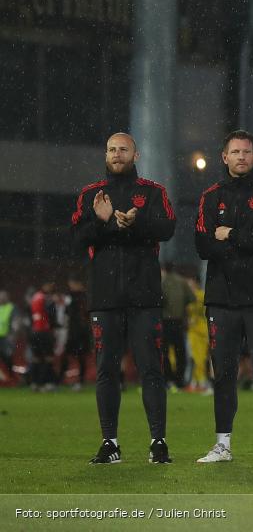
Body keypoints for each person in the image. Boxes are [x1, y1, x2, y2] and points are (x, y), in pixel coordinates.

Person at [71, 132, 175, 464]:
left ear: (136, 155)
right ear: (105, 155)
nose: (117, 154)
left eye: (123, 149)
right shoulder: (90, 194)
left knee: (151, 369)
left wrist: (136, 221)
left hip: (144, 296)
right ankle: (110, 443)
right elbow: (77, 238)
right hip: (105, 297)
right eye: (112, 150)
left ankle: (158, 442)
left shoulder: (153, 192)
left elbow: (167, 228)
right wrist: (102, 221)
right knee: (106, 370)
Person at [195, 130, 253, 464]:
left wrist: (231, 235)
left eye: (247, 152)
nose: (242, 157)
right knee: (224, 375)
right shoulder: (210, 197)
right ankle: (222, 445)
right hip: (221, 300)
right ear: (225, 157)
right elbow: (203, 245)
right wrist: (252, 240)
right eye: (236, 152)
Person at [160, 263, 193, 390]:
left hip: (165, 321)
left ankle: (168, 378)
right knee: (180, 352)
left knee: (165, 352)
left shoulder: (162, 282)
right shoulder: (182, 282)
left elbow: (160, 300)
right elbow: (192, 298)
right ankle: (180, 380)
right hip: (179, 321)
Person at [60, 278, 91, 391]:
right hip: (74, 331)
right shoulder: (71, 296)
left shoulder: (83, 297)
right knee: (68, 355)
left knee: (81, 356)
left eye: (73, 284)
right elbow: (67, 312)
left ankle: (80, 381)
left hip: (81, 331)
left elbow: (86, 313)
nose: (71, 287)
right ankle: (60, 379)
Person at [184, 275, 211, 394]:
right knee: (196, 357)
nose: (189, 286)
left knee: (199, 357)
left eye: (191, 284)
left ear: (196, 283)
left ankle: (201, 381)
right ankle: (196, 381)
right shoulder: (202, 295)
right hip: (196, 330)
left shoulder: (196, 296)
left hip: (200, 330)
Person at [29, 282, 57, 391]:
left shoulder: (35, 297)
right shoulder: (47, 298)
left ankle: (34, 383)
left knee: (36, 358)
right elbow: (51, 314)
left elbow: (30, 314)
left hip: (35, 330)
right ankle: (46, 383)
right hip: (44, 331)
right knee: (48, 358)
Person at [0, 290, 19, 383]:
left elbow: (16, 322)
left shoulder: (11, 307)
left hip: (6, 337)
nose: (1, 298)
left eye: (3, 296)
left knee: (7, 357)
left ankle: (11, 376)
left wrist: (13, 334)